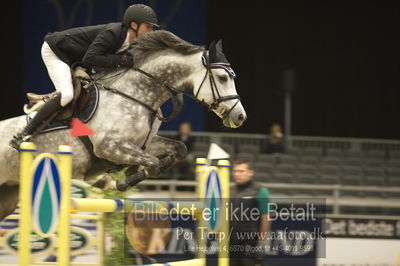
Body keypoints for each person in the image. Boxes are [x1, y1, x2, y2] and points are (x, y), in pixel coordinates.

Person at [9, 4, 159, 150]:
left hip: (76, 58)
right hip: (56, 52)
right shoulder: (112, 33)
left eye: (152, 27)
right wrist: (119, 60)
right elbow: (91, 58)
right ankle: (23, 134)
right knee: (66, 95)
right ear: (134, 25)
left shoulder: (128, 42)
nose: (151, 31)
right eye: (148, 26)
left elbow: (100, 61)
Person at [230, 158, 271, 266]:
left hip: (250, 244)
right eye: (235, 171)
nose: (237, 174)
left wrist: (261, 242)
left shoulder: (260, 191)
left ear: (250, 173)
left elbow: (266, 217)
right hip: (230, 244)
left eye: (241, 171)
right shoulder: (229, 191)